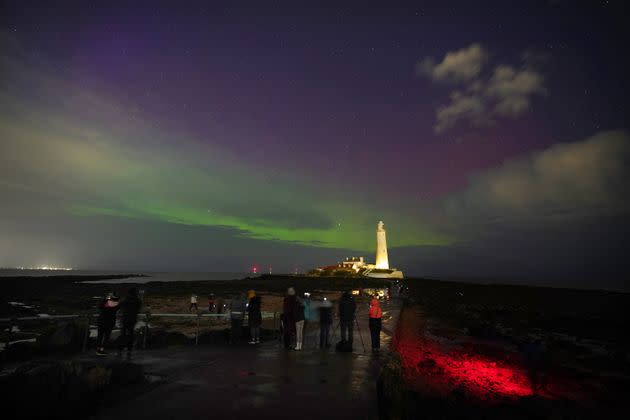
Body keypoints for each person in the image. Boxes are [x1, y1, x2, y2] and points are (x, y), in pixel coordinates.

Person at [118, 286, 142, 359]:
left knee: (123, 334)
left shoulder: (125, 300)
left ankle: (120, 350)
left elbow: (119, 306)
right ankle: (129, 350)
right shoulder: (138, 301)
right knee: (131, 335)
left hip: (125, 319)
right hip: (133, 319)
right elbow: (138, 308)